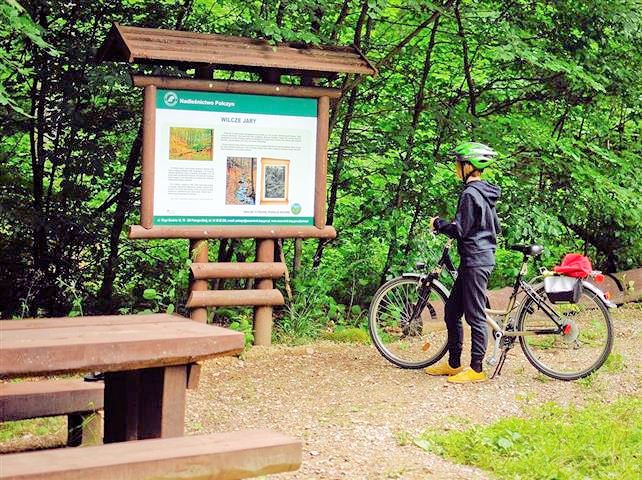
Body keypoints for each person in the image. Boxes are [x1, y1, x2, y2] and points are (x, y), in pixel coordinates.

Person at [426, 142, 501, 383]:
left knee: (474, 315)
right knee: (451, 311)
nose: (455, 167)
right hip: (474, 258)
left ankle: (477, 369)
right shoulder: (483, 192)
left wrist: (439, 224)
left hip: (476, 260)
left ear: (468, 166)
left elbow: (461, 229)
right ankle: (454, 363)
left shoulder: (471, 194)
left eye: (458, 163)